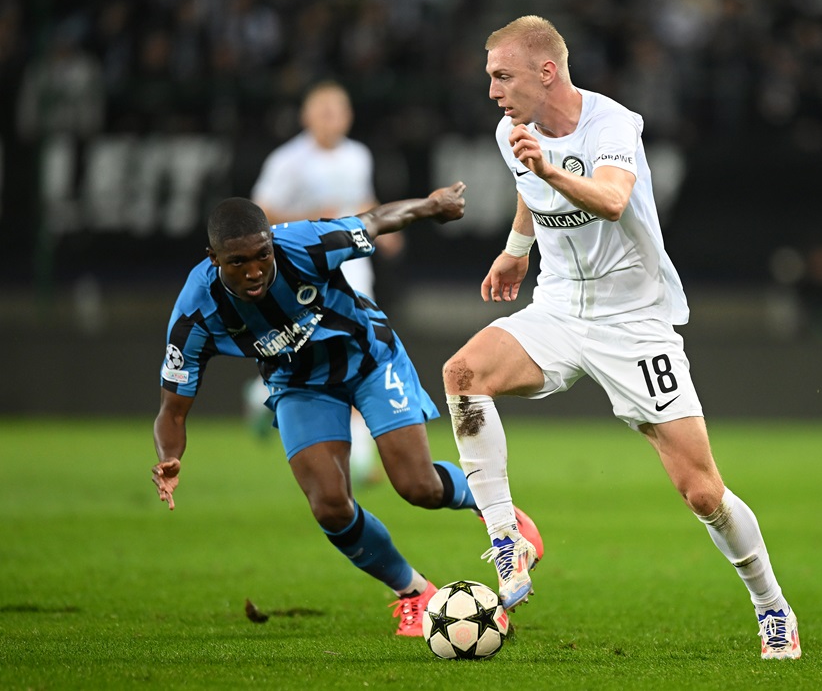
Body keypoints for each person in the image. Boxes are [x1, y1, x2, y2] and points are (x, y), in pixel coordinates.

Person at [442, 16, 801, 660]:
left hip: (632, 321)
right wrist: (517, 249)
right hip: (558, 308)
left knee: (702, 491)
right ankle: (506, 537)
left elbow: (609, 200)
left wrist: (549, 171)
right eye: (490, 77)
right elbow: (528, 185)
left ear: (546, 71)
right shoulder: (511, 132)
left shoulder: (614, 125)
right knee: (463, 374)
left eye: (503, 75)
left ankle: (771, 604)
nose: (493, 90)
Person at [152, 183, 541, 637]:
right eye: (238, 262)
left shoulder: (303, 245)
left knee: (419, 486)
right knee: (330, 506)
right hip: (298, 384)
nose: (254, 270)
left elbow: (375, 221)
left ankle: (501, 514)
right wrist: (168, 457)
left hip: (369, 358)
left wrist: (431, 207)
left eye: (262, 255)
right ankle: (414, 594)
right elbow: (172, 410)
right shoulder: (195, 313)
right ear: (214, 258)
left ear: (271, 244)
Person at [249, 80, 402, 484]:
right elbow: (260, 213)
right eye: (324, 110)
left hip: (353, 266)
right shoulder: (289, 161)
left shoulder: (358, 155)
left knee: (360, 346)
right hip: (307, 271)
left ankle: (362, 453)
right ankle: (262, 396)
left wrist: (386, 225)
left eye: (339, 110)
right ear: (307, 116)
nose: (332, 117)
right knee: (308, 353)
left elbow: (362, 200)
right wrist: (311, 217)